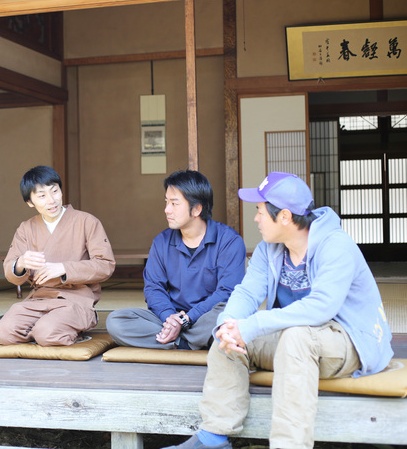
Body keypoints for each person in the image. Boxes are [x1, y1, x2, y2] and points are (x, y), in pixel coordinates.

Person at [163, 172, 394, 449]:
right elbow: (247, 292)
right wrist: (228, 324)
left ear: (284, 216)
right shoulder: (268, 248)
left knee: (296, 336)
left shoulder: (336, 245)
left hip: (347, 341)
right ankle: (213, 438)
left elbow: (322, 307)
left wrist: (253, 325)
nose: (256, 218)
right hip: (292, 341)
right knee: (227, 337)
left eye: (260, 211)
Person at [107, 170, 246, 350]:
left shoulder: (229, 241)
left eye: (174, 203)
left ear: (196, 209)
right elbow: (153, 287)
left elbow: (227, 291)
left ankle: (175, 339)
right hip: (173, 315)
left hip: (206, 316)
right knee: (116, 321)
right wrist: (169, 318)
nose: (167, 210)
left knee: (225, 317)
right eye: (166, 202)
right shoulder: (161, 242)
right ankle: (186, 341)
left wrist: (187, 319)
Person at [0, 165, 115, 346]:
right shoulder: (26, 228)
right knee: (4, 333)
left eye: (55, 191)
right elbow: (11, 272)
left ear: (61, 191)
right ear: (30, 202)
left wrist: (64, 269)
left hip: (76, 299)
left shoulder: (86, 221)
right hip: (39, 299)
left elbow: (105, 265)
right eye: (42, 196)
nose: (51, 200)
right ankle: (47, 327)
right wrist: (21, 263)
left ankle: (75, 321)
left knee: (47, 333)